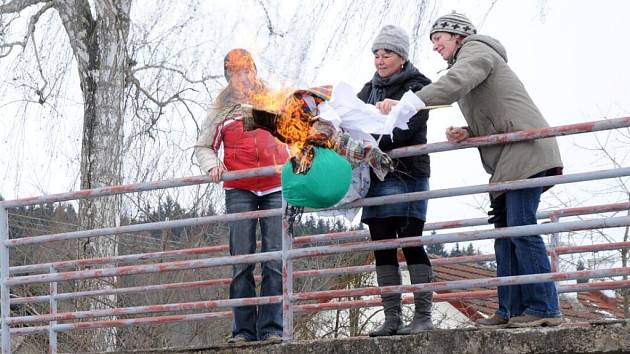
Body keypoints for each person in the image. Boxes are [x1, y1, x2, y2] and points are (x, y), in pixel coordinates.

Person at [376, 12, 564, 328]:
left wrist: (407, 103)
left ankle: (545, 308)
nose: (435, 46)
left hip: (525, 151)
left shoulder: (476, 50)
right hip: (509, 157)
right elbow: (495, 113)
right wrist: (469, 132)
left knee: (520, 227)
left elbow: (455, 83)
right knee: (505, 235)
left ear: (457, 35)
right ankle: (510, 310)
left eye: (439, 38)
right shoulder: (470, 60)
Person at [194, 48, 287, 343]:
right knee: (242, 260)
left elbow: (295, 133)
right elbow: (203, 147)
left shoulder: (273, 101)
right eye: (234, 73)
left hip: (275, 186)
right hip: (239, 189)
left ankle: (272, 329)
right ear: (228, 78)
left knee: (274, 259)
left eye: (246, 71)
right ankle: (243, 331)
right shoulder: (220, 110)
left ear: (255, 72)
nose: (242, 78)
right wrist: (213, 165)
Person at [357, 25, 434, 336]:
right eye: (376, 54)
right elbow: (350, 120)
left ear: (402, 57)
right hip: (377, 174)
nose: (380, 59)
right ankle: (392, 319)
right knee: (382, 246)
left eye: (386, 54)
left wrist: (367, 138)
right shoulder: (368, 89)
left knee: (411, 242)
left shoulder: (419, 87)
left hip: (408, 173)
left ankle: (423, 316)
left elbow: (403, 130)